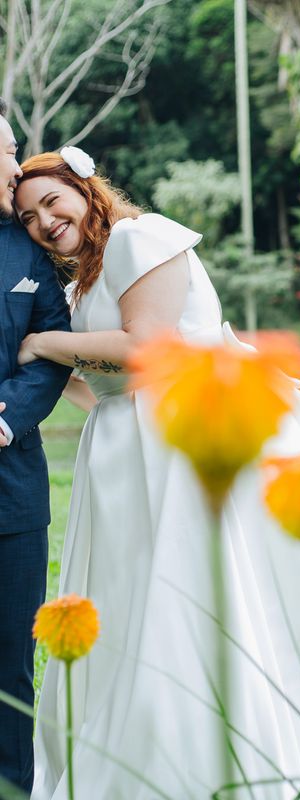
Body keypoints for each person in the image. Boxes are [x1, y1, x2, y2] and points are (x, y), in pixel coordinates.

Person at [14, 149, 300, 799]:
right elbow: (101, 377)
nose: (43, 220)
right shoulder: (77, 285)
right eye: (29, 215)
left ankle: (251, 747)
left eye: (52, 201)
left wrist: (45, 344)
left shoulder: (139, 238)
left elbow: (154, 347)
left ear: (84, 189)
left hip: (191, 437)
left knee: (206, 587)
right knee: (137, 601)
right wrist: (70, 385)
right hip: (127, 455)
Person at [0, 101, 72, 795]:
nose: (15, 164)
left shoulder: (29, 250)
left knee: (11, 664)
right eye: (3, 151)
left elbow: (52, 351)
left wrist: (6, 419)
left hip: (12, 494)